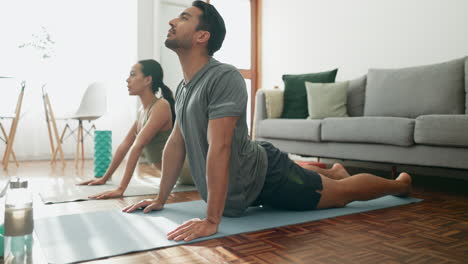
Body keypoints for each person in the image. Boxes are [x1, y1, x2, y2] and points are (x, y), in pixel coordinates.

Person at [123, 1, 412, 242]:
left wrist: (212, 219)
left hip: (268, 176)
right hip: (247, 179)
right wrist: (161, 198)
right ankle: (334, 171)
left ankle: (398, 184)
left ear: (202, 36)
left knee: (340, 196)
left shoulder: (224, 77)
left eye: (184, 17)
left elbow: (220, 146)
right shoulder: (185, 87)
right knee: (327, 184)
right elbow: (176, 143)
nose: (173, 20)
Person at [79, 59, 191, 198]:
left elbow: (137, 146)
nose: (127, 80)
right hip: (177, 176)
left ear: (147, 80)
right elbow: (125, 145)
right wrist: (104, 178)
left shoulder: (161, 106)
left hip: (187, 172)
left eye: (133, 74)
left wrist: (121, 189)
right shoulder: (142, 111)